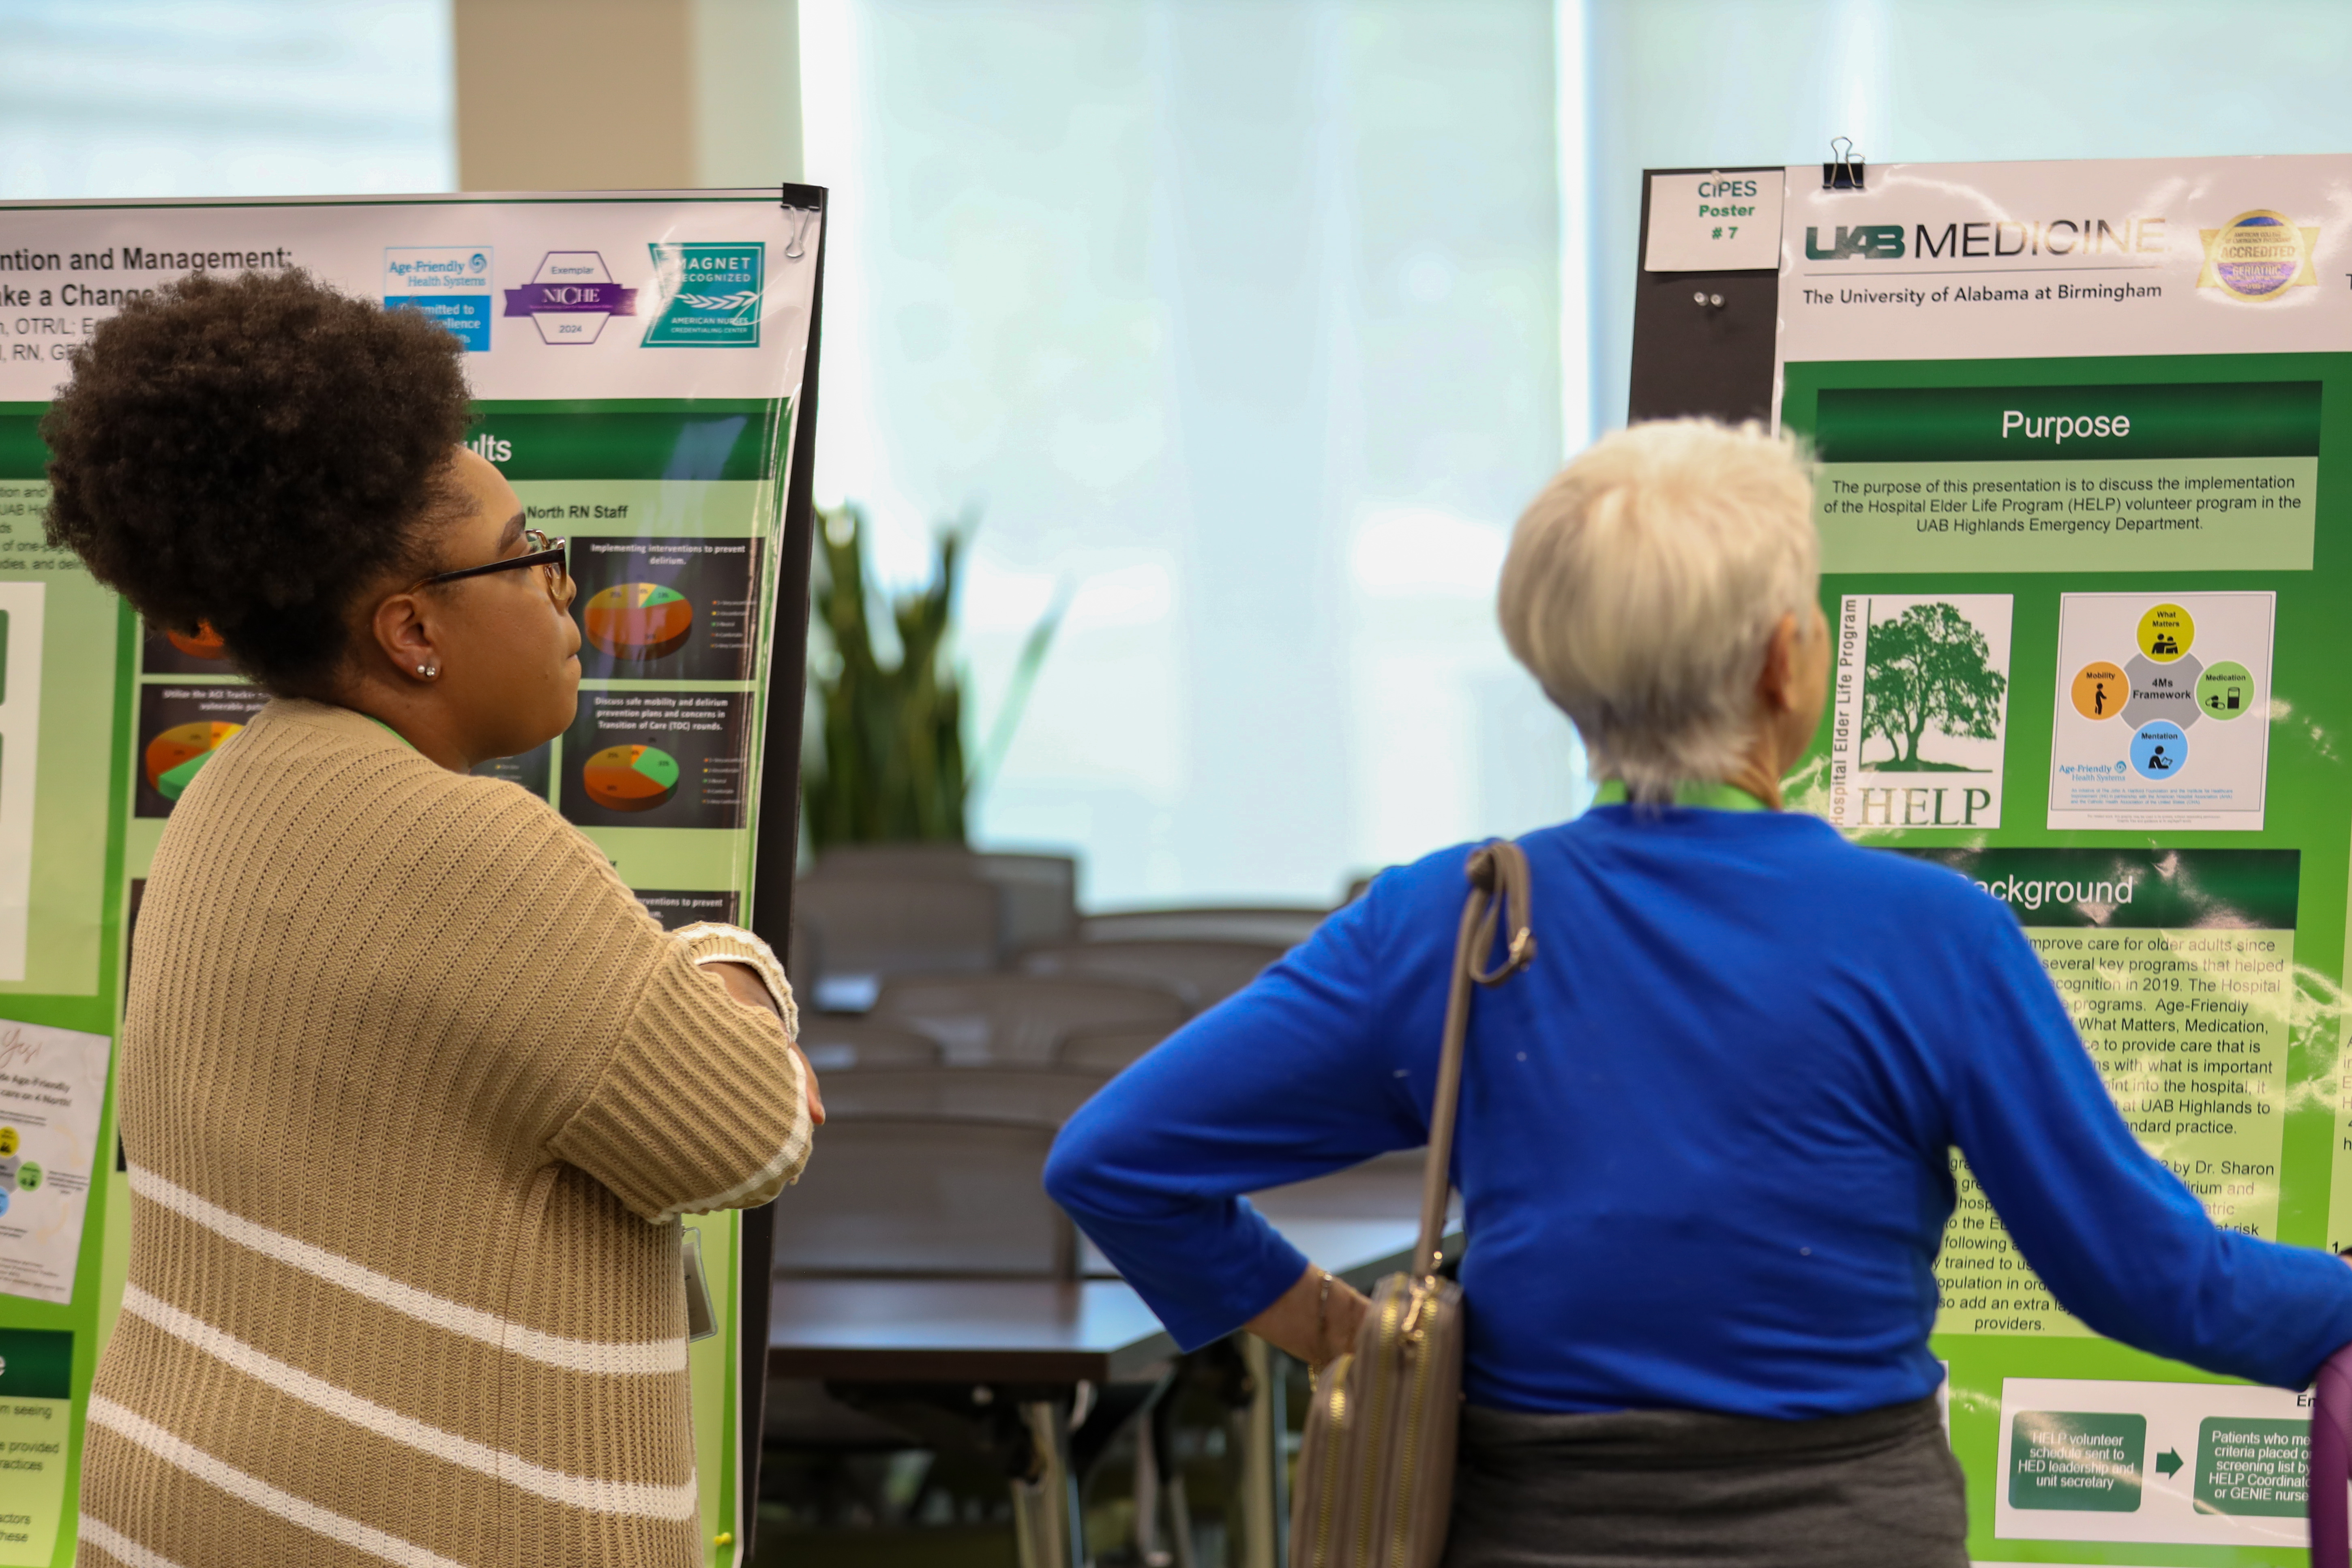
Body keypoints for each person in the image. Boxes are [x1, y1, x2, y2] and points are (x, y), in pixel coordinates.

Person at [1044, 419, 2352, 1567]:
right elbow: (2150, 1277)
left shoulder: (1448, 918)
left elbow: (1116, 1160)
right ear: (1784, 662)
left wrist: (1354, 1342)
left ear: (1560, 673)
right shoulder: (1930, 934)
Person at [44, 270, 822, 1568]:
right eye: (531, 559)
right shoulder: (473, 847)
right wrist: (725, 965)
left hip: (197, 1500)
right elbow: (747, 1136)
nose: (568, 594)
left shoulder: (233, 786)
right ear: (412, 629)